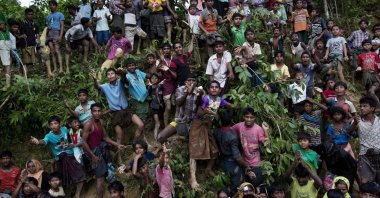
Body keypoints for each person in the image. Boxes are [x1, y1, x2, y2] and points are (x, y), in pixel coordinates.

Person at [30, 116, 84, 198]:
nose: (53, 126)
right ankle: (65, 195)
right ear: (49, 126)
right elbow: (44, 141)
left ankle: (77, 194)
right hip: (60, 158)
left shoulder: (65, 129)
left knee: (80, 174)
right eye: (51, 124)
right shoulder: (49, 136)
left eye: (55, 123)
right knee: (62, 179)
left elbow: (75, 131)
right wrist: (38, 142)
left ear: (60, 124)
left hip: (71, 154)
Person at [82, 103, 126, 198]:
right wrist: (93, 156)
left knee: (109, 171)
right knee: (100, 178)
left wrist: (117, 144)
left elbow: (105, 137)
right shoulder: (88, 124)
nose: (97, 113)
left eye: (99, 111)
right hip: (94, 152)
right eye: (95, 111)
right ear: (91, 112)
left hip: (102, 149)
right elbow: (84, 143)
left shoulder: (101, 122)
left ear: (101, 112)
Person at [92, 68, 145, 144]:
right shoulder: (105, 86)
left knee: (141, 125)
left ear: (116, 75)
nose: (110, 76)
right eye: (108, 74)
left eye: (112, 73)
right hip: (116, 113)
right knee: (119, 136)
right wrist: (94, 80)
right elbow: (97, 87)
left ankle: (134, 143)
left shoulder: (120, 82)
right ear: (107, 77)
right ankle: (119, 154)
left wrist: (122, 72)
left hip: (127, 110)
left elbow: (124, 79)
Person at [214, 109, 252, 194]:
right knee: (237, 188)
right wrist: (247, 165)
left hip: (222, 161)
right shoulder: (232, 137)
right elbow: (237, 157)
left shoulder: (216, 131)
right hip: (232, 164)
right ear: (231, 121)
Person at [157, 74, 203, 143]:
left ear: (196, 82)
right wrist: (187, 93)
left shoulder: (200, 91)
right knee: (160, 136)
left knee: (192, 140)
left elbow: (201, 106)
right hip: (179, 120)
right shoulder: (180, 89)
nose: (191, 82)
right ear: (185, 82)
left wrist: (199, 96)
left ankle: (185, 139)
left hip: (193, 122)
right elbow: (178, 103)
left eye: (193, 80)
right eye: (189, 80)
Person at [231, 107, 270, 187]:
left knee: (255, 183)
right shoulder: (239, 126)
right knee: (243, 186)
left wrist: (266, 131)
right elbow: (230, 132)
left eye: (251, 117)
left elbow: (267, 144)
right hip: (243, 162)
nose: (249, 119)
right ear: (243, 117)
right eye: (247, 117)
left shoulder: (258, 129)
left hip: (255, 162)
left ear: (254, 118)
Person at [350, 97, 380, 184]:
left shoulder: (379, 120)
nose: (362, 108)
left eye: (365, 106)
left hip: (379, 153)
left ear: (372, 108)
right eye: (361, 106)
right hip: (364, 155)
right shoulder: (358, 121)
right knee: (365, 182)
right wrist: (355, 123)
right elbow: (349, 132)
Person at [122, 58, 149, 123]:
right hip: (136, 101)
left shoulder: (138, 71)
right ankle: (140, 132)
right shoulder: (127, 76)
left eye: (133, 65)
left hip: (145, 98)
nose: (131, 67)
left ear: (135, 65)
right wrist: (122, 74)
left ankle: (142, 132)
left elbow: (147, 76)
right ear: (126, 67)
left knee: (145, 117)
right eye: (129, 65)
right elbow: (125, 82)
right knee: (140, 119)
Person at [157, 43, 177, 127]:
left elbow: (177, 73)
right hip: (166, 85)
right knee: (168, 107)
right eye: (164, 49)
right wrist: (159, 69)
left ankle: (175, 125)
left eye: (168, 48)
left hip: (175, 84)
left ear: (170, 50)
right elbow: (158, 75)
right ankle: (166, 126)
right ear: (162, 51)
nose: (166, 50)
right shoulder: (159, 61)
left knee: (177, 106)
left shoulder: (174, 59)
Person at [357, 39, 380, 108]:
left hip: (375, 76)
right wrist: (359, 68)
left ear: (371, 45)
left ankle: (378, 107)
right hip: (365, 77)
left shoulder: (375, 54)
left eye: (368, 44)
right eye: (365, 45)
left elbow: (378, 64)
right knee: (369, 93)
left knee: (371, 92)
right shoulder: (360, 56)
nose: (367, 46)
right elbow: (359, 65)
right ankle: (373, 107)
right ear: (362, 46)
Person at [46, 0, 64, 74]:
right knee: (52, 52)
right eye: (50, 5)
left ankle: (61, 68)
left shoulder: (60, 14)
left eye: (53, 5)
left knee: (57, 50)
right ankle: (55, 68)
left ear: (56, 6)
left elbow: (62, 26)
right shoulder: (48, 16)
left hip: (56, 32)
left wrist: (60, 36)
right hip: (50, 34)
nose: (52, 6)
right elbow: (47, 27)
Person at [147, 73, 164, 139]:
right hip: (154, 107)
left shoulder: (160, 86)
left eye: (156, 78)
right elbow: (149, 92)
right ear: (150, 79)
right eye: (152, 78)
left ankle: (158, 136)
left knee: (159, 122)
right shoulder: (149, 87)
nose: (154, 80)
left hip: (161, 106)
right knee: (157, 123)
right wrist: (149, 86)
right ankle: (155, 138)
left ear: (158, 79)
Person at [0, 14, 12, 91]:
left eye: (2, 24)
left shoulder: (7, 30)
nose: (1, 26)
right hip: (1, 46)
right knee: (4, 65)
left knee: (7, 64)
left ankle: (8, 84)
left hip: (5, 46)